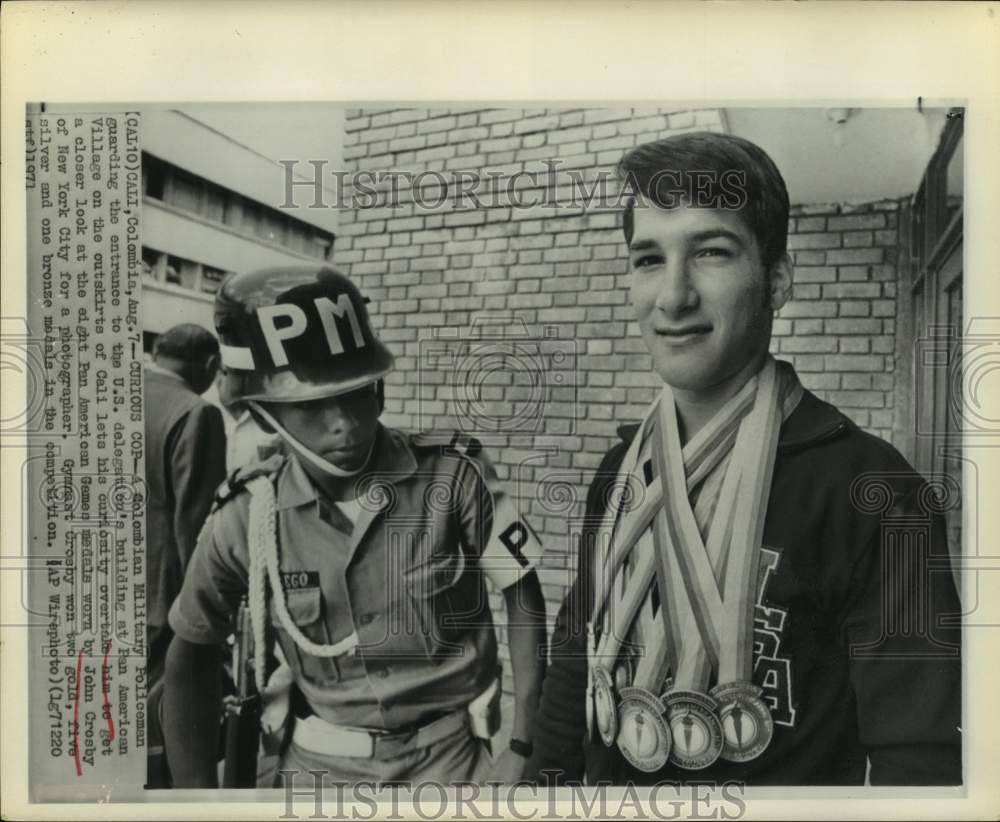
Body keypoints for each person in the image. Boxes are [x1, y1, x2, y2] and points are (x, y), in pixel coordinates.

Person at [526, 132, 961, 786]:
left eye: (711, 252)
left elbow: (920, 763)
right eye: (649, 259)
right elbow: (574, 664)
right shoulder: (618, 474)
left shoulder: (875, 492)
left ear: (777, 279)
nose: (673, 297)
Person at [162, 265, 547, 787]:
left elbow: (522, 590)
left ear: (380, 389)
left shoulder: (454, 474)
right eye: (311, 404)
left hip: (453, 764)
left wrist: (523, 744)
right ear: (265, 411)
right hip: (317, 773)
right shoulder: (249, 515)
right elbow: (190, 648)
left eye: (357, 392)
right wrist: (198, 804)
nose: (343, 422)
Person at [143, 323, 228, 786]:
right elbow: (195, 528)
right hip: (162, 600)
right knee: (162, 722)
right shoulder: (197, 413)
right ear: (211, 365)